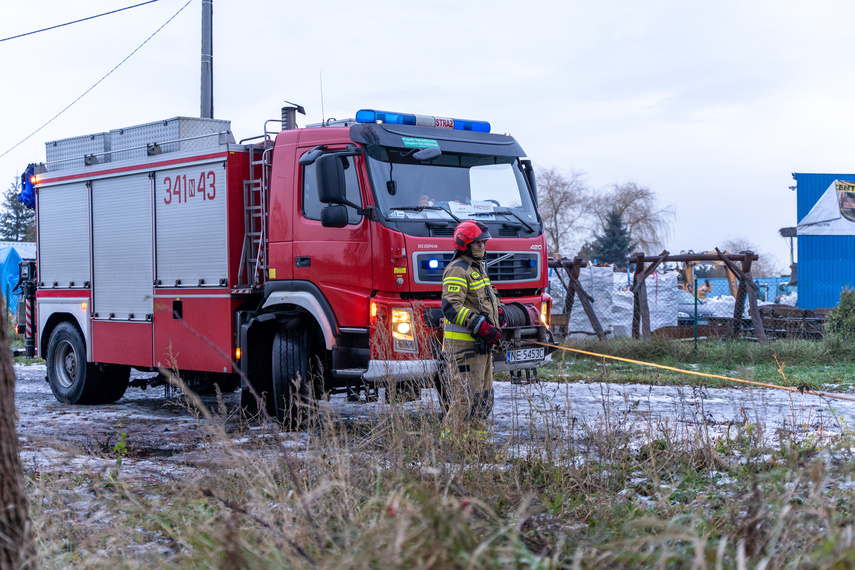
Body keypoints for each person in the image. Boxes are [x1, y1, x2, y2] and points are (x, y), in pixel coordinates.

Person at [440, 220, 505, 438]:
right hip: (464, 347)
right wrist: (481, 326)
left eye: (484, 242)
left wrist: (498, 315)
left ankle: (477, 447)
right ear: (464, 244)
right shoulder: (458, 270)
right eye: (478, 243)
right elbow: (451, 307)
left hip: (480, 346)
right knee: (464, 399)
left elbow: (482, 300)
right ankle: (451, 447)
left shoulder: (477, 269)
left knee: (483, 398)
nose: (482, 246)